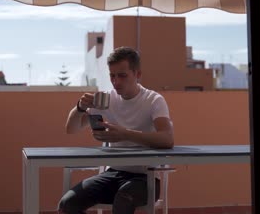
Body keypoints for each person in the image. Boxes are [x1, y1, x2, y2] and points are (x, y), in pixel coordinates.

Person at [58, 46, 174, 214]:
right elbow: (71, 129)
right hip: (113, 173)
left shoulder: (153, 100)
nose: (116, 81)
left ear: (137, 74)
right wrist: (80, 107)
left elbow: (167, 138)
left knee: (124, 199)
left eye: (122, 75)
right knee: (67, 204)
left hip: (145, 177)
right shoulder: (106, 99)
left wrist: (124, 134)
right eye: (112, 75)